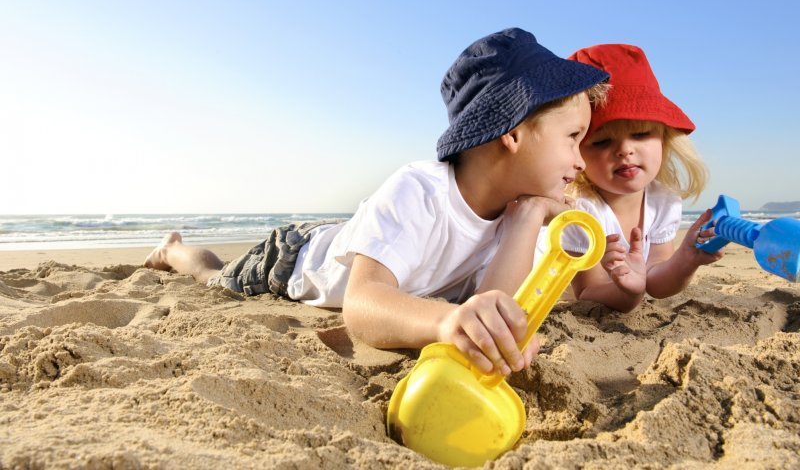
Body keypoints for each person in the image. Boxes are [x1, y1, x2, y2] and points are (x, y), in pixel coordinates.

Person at [143, 28, 610, 376]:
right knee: (213, 277)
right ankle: (172, 251)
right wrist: (448, 322)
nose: (581, 161)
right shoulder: (421, 191)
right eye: (573, 138)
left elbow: (494, 305)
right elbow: (362, 304)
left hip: (359, 239)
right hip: (294, 258)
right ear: (512, 132)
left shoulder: (517, 206)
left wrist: (528, 218)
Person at [558, 43, 724, 312]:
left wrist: (686, 260)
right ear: (577, 152)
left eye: (640, 134)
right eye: (602, 142)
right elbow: (587, 291)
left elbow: (656, 283)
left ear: (664, 138)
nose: (625, 150)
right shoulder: (579, 210)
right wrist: (628, 293)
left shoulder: (662, 200)